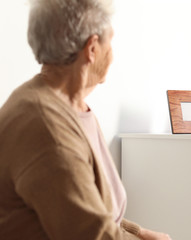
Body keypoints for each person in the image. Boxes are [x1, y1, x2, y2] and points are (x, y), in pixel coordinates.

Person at [0, 0, 171, 239]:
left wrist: (138, 232)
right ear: (92, 49)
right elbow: (90, 235)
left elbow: (89, 208)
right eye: (110, 40)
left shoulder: (74, 108)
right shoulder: (46, 126)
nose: (112, 52)